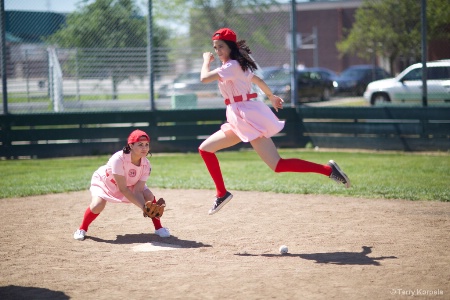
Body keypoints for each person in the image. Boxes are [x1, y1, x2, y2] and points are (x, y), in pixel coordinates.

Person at [199, 28, 350, 215]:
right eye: (215, 47)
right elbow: (257, 79)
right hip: (237, 117)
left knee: (278, 165)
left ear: (230, 47)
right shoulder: (235, 65)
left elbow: (204, 78)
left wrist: (206, 60)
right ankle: (222, 193)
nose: (217, 51)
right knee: (205, 149)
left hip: (247, 118)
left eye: (221, 46)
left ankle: (328, 170)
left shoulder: (231, 66)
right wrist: (271, 96)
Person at [73, 129, 170, 241]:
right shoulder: (118, 159)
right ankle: (82, 229)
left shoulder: (146, 164)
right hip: (106, 183)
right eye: (140, 144)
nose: (144, 148)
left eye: (147, 144)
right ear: (131, 146)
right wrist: (143, 207)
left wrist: (145, 207)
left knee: (149, 196)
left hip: (130, 184)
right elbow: (123, 189)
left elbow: (138, 190)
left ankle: (159, 228)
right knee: (97, 205)